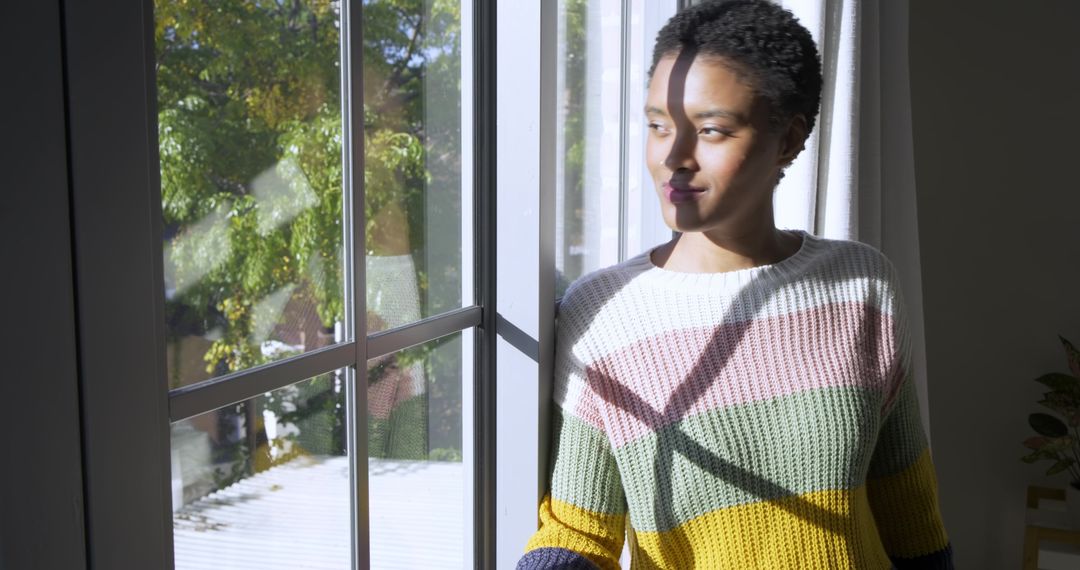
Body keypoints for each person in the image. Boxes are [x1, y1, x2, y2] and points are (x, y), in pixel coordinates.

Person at [517, 1, 953, 568]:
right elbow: (579, 530)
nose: (674, 157)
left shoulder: (862, 285)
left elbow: (908, 505)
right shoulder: (603, 312)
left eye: (711, 130)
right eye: (657, 125)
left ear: (788, 140)